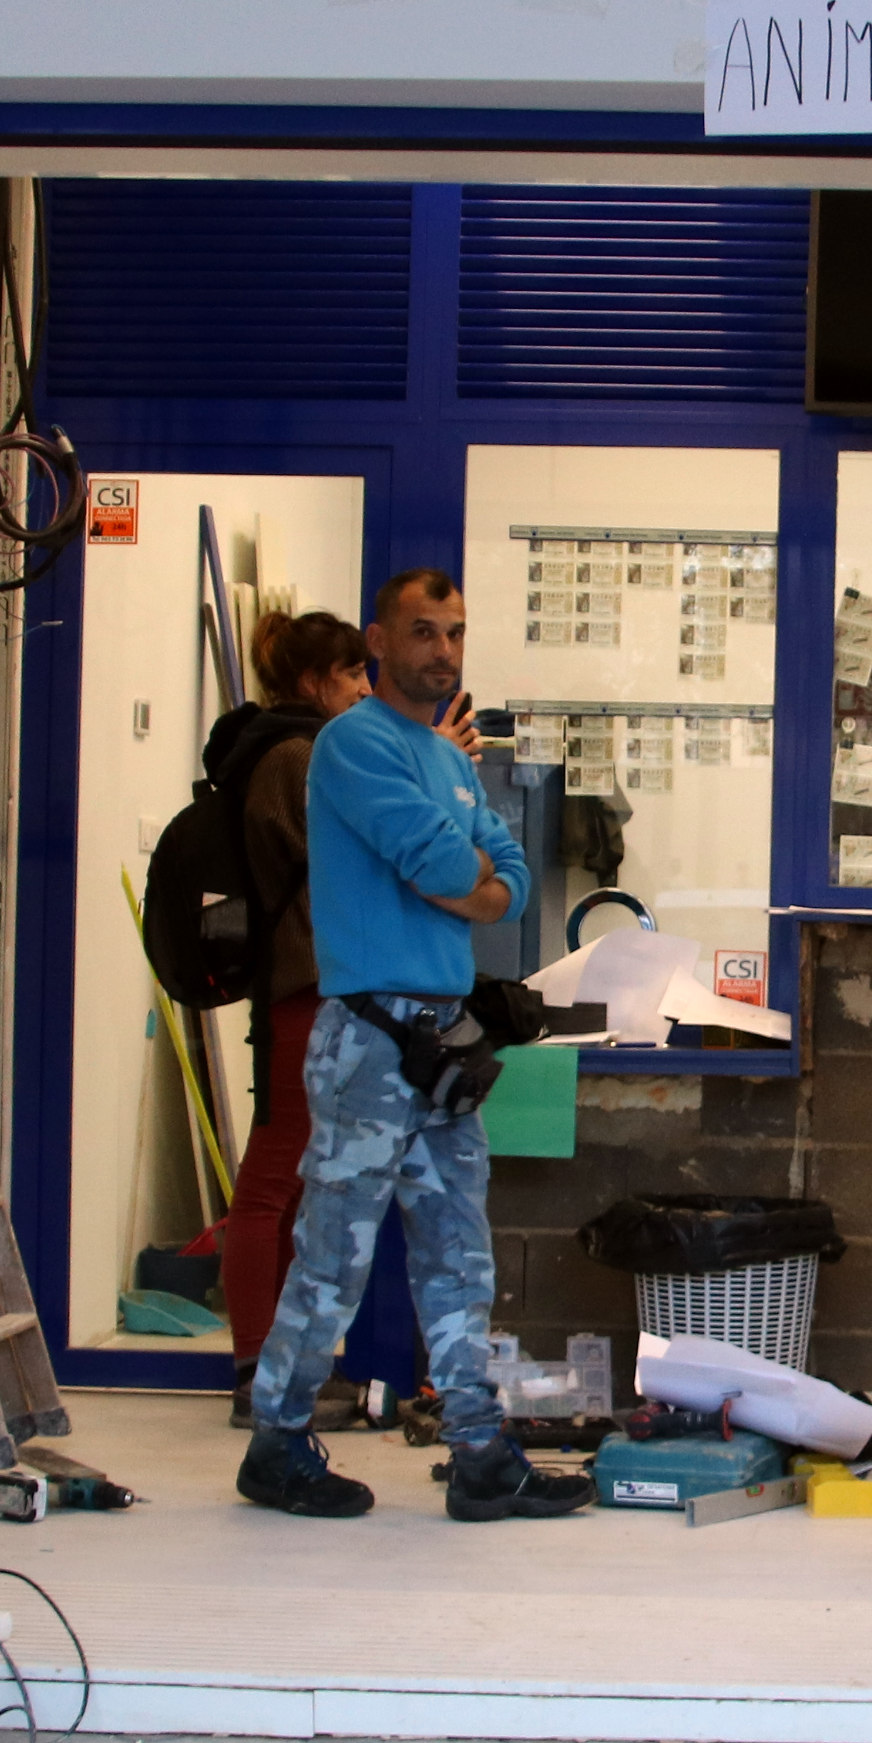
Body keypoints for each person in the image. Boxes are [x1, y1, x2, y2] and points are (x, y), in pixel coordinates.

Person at [237, 570, 591, 1522]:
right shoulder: (352, 746)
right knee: (334, 1255)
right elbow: (445, 865)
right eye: (422, 632)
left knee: (458, 1253)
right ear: (378, 643)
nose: (443, 651)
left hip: (441, 1040)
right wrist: (462, 874)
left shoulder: (446, 759)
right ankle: (277, 1441)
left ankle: (479, 1454)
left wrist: (468, 877)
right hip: (367, 1041)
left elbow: (507, 881)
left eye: (456, 634)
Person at [216, 607, 372, 1423]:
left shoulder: (304, 754)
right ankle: (256, 1370)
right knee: (273, 1180)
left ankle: (279, 1363)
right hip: (299, 991)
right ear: (315, 684)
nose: (363, 690)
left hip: (317, 987)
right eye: (351, 676)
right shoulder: (292, 757)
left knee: (293, 1181)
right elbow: (347, 857)